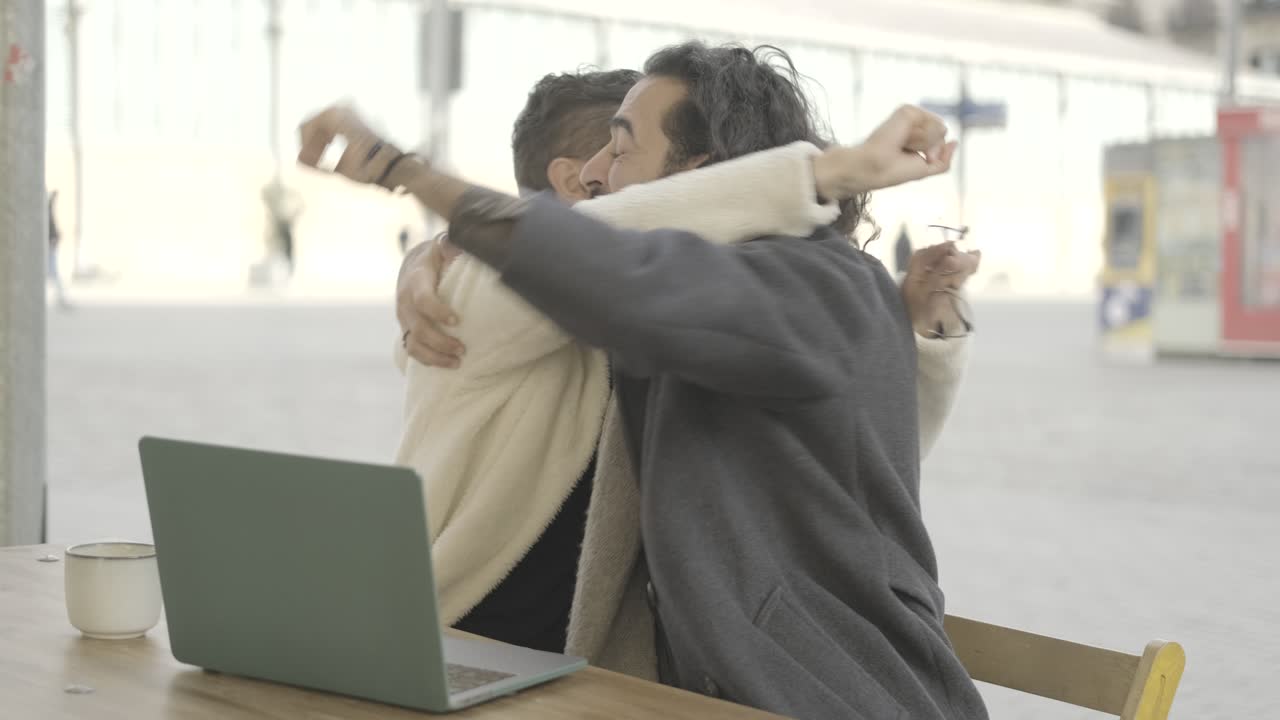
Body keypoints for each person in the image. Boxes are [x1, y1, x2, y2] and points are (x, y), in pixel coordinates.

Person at [298, 41, 986, 719]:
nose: (596, 174)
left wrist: (409, 174)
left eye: (621, 149)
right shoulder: (676, 298)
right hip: (618, 680)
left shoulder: (804, 283)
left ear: (705, 174)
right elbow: (603, 256)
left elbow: (624, 270)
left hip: (838, 695)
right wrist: (436, 246)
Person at [390, 69, 945, 656]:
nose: (598, 169)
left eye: (622, 148)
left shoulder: (695, 312)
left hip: (595, 667)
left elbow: (865, 450)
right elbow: (605, 236)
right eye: (604, 148)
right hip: (448, 638)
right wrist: (822, 174)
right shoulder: (488, 287)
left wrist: (916, 335)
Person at [47, 190, 71, 309]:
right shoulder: (47, 209)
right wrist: (53, 237)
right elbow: (50, 226)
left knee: (53, 273)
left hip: (51, 243)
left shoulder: (48, 209)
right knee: (53, 272)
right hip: (50, 244)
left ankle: (61, 297)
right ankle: (60, 297)